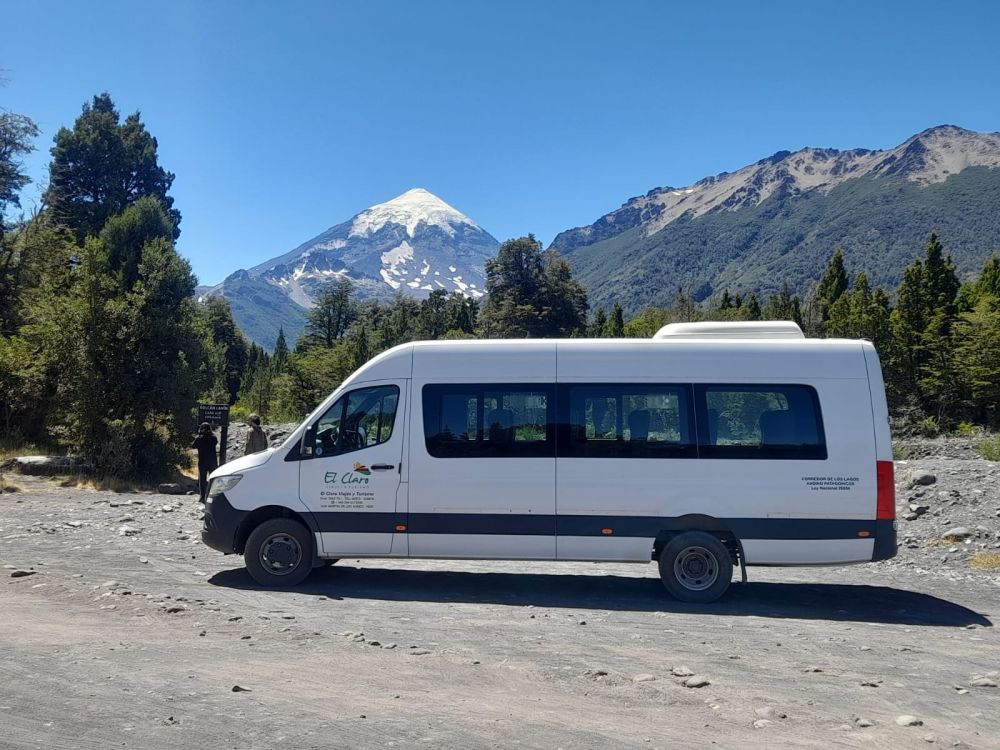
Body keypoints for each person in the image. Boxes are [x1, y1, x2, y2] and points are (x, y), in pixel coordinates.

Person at [191, 422, 218, 502]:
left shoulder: (199, 439)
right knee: (213, 479)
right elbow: (215, 442)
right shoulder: (213, 438)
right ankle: (212, 496)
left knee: (202, 479)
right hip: (212, 461)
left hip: (203, 461)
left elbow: (193, 446)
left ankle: (202, 497)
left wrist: (198, 436)